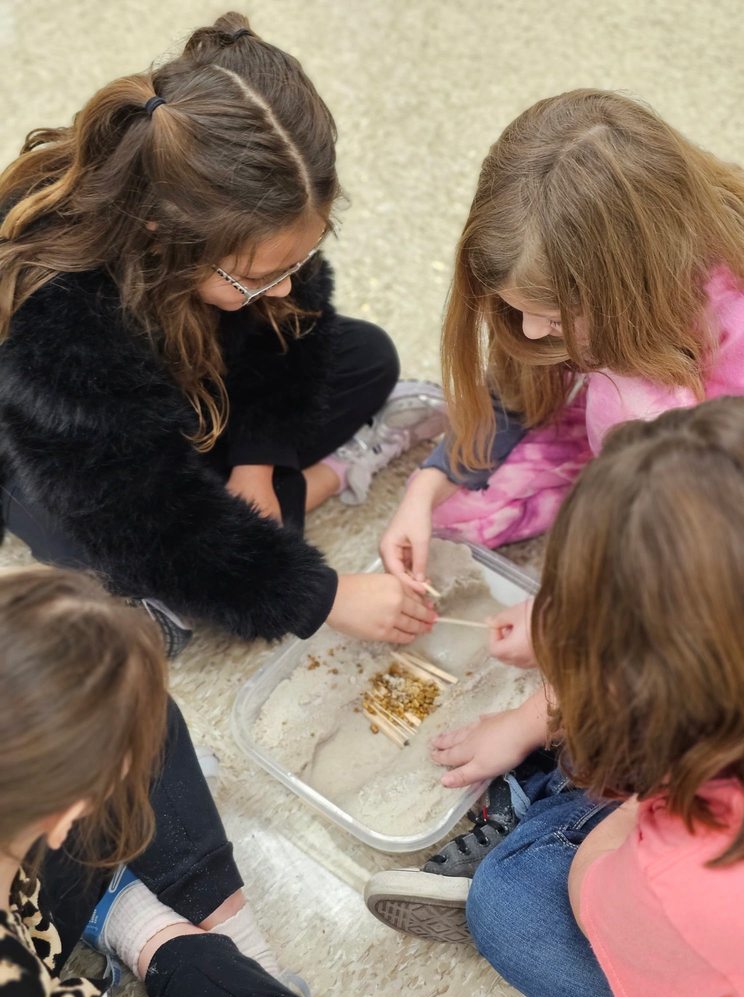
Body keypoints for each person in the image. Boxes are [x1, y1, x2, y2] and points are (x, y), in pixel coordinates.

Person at [0, 12, 443, 656]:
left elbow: (298, 322)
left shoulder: (258, 210)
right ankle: (265, 523)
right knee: (117, 549)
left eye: (298, 259)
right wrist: (320, 597)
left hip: (175, 403)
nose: (288, 284)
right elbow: (131, 509)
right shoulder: (58, 313)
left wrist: (258, 463)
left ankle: (236, 534)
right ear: (163, 234)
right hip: (45, 452)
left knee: (369, 358)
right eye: (261, 274)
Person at [366, 397, 744, 997]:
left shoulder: (690, 875)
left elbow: (593, 889)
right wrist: (570, 635)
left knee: (508, 900)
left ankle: (547, 806)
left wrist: (620, 783)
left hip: (686, 907)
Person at [380, 87, 744, 666]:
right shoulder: (596, 281)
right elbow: (517, 389)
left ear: (628, 282)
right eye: (519, 312)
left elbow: (725, 538)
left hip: (715, 502)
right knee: (451, 518)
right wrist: (425, 487)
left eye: (554, 319)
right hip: (640, 442)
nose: (532, 334)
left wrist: (575, 624)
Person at [0, 564, 340, 997]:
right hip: (35, 950)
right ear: (69, 816)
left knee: (138, 708)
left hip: (30, 884)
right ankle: (173, 936)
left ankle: (160, 922)